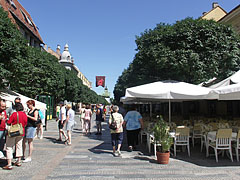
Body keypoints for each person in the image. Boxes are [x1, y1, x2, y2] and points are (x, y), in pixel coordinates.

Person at [3, 103, 27, 170]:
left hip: (13, 132)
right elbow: (25, 123)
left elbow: (9, 122)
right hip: (21, 132)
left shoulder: (14, 114)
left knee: (9, 147)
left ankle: (9, 163)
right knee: (19, 146)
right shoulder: (24, 114)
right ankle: (18, 161)